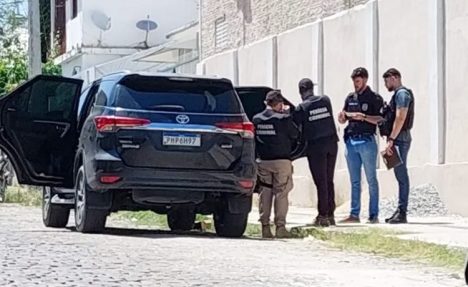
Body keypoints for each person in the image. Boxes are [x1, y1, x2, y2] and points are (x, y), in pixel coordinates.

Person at [338, 67, 384, 224]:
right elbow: (343, 117)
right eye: (353, 82)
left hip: (366, 141)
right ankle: (354, 214)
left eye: (357, 81)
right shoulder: (350, 97)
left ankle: (373, 214)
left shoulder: (374, 98)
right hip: (351, 141)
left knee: (371, 179)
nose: (355, 85)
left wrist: (364, 117)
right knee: (355, 181)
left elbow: (380, 119)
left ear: (365, 80)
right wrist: (342, 117)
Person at [253, 90, 299, 238]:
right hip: (281, 161)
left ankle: (265, 227)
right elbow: (295, 134)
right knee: (281, 192)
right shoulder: (282, 118)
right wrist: (287, 115)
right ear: (279, 104)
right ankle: (280, 227)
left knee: (265, 192)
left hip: (263, 161)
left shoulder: (257, 119)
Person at [293, 79, 339, 227]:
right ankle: (330, 214)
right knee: (329, 179)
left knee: (321, 181)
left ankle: (323, 215)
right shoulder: (325, 100)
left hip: (316, 147)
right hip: (332, 144)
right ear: (312, 88)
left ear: (301, 91)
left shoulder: (302, 107)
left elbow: (296, 127)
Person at [382, 68, 414, 224]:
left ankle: (402, 212)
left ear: (394, 78)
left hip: (400, 139)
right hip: (398, 138)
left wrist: (392, 139)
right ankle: (400, 210)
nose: (386, 84)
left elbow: (400, 118)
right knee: (399, 174)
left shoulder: (402, 94)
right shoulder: (398, 95)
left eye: (387, 81)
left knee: (401, 175)